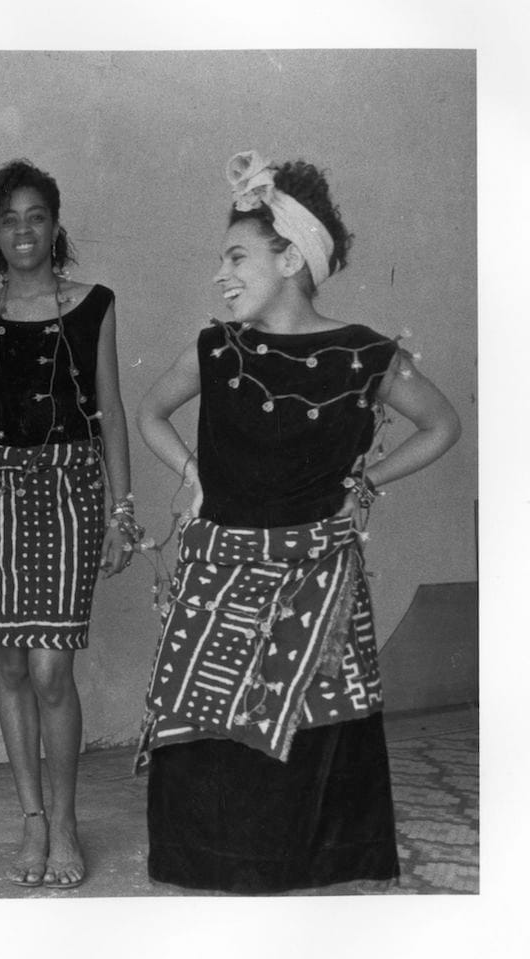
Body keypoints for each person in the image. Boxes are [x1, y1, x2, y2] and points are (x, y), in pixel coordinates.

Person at [134, 152, 461, 893]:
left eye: (237, 256)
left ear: (290, 257)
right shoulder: (216, 349)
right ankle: (213, 867)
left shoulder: (364, 353)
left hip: (317, 579)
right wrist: (194, 471)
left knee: (312, 735)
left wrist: (368, 478)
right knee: (209, 729)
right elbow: (151, 412)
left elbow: (442, 424)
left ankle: (311, 875)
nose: (222, 275)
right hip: (218, 573)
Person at [0, 159, 135, 889]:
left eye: (35, 216)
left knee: (52, 665)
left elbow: (111, 411)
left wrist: (121, 510)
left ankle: (67, 817)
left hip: (72, 490)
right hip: (0, 493)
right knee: (13, 662)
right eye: (8, 219)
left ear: (55, 224)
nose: (23, 230)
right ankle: (33, 821)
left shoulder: (94, 304)